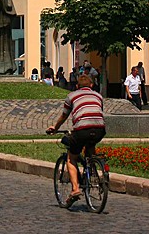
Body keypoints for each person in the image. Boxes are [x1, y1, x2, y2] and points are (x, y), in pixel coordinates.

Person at [47, 74, 106, 204]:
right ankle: (94, 172)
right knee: (90, 147)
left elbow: (64, 116)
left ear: (77, 86)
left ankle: (75, 189)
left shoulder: (72, 96)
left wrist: (55, 128)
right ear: (91, 85)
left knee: (71, 157)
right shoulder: (98, 96)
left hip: (82, 130)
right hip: (100, 129)